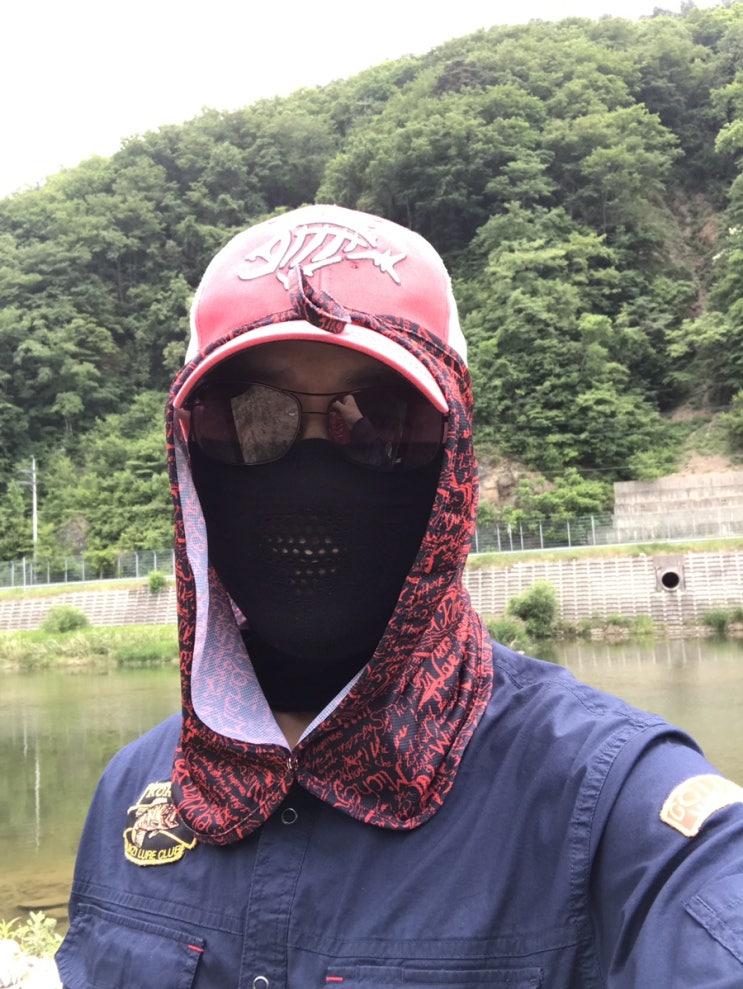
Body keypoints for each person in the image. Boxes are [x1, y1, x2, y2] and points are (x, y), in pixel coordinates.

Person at [56, 205, 743, 988]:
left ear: (453, 460)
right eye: (251, 422)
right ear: (190, 456)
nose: (311, 480)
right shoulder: (135, 787)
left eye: (382, 424)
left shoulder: (607, 801)